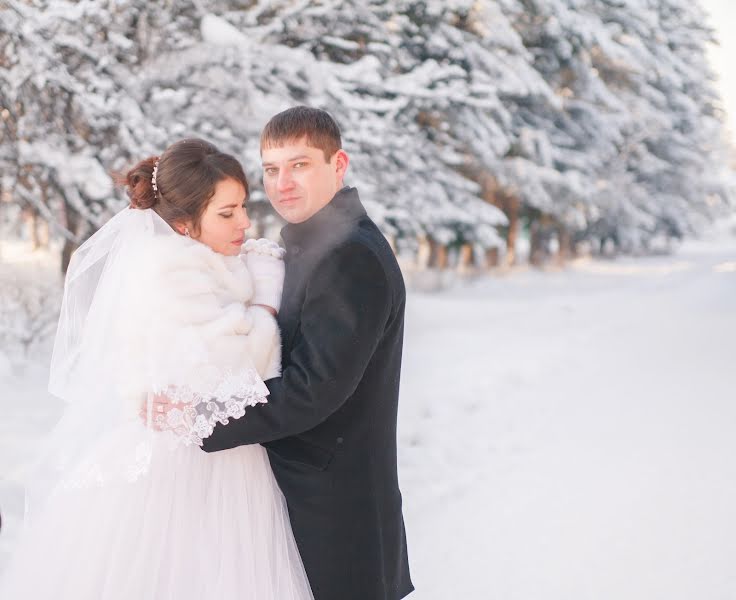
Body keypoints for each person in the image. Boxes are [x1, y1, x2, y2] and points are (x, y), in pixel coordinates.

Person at [0, 138, 314, 600]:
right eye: (226, 214)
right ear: (185, 224)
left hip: (220, 449)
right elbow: (246, 369)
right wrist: (266, 302)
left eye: (243, 207)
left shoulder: (211, 260)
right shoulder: (171, 270)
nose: (244, 223)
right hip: (186, 465)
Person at [190, 106, 415, 599]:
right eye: (271, 169)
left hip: (335, 522)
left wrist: (199, 420)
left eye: (300, 164)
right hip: (309, 508)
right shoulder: (318, 245)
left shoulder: (350, 255)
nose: (282, 183)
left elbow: (312, 391)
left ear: (339, 164)